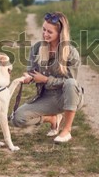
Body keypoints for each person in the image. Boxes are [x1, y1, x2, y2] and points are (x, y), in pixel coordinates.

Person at [11, 12, 84, 143]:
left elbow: (70, 81)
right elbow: (32, 71)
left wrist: (45, 80)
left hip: (67, 96)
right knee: (17, 118)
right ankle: (52, 119)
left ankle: (66, 130)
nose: (45, 34)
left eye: (49, 32)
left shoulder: (71, 52)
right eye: (44, 30)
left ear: (60, 34)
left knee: (71, 83)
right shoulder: (37, 48)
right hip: (46, 97)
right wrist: (29, 77)